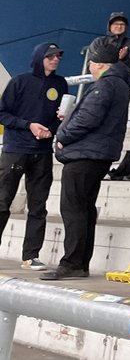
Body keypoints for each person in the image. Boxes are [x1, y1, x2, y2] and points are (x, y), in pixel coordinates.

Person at [43, 41, 130, 280]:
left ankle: (72, 262)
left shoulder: (106, 85)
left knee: (73, 209)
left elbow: (88, 118)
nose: (90, 68)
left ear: (100, 63)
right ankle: (80, 263)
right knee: (85, 209)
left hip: (85, 155)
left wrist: (62, 135)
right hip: (99, 154)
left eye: (91, 63)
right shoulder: (119, 84)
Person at [0, 42, 69, 271]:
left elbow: (59, 116)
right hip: (16, 150)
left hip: (42, 152)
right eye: (50, 56)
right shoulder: (20, 81)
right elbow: (3, 113)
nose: (55, 59)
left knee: (38, 206)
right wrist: (28, 125)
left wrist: (54, 126)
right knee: (2, 201)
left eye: (58, 56)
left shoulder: (60, 84)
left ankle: (31, 255)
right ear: (39, 57)